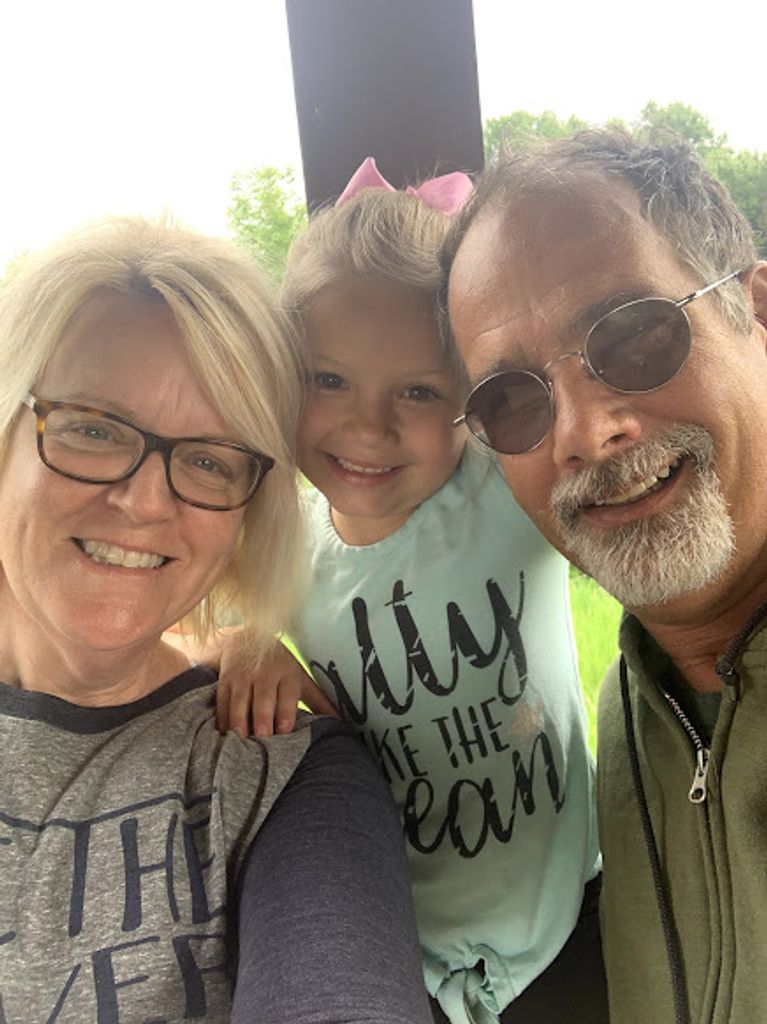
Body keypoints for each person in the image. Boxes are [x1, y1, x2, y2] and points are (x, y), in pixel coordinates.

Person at [0, 217, 433, 1024]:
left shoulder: (272, 764)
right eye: (92, 428)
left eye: (208, 459)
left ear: (246, 514)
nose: (143, 502)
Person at [217, 159, 605, 1024]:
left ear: (471, 396)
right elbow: (200, 615)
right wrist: (247, 642)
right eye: (327, 380)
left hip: (573, 921)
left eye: (421, 391)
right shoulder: (282, 547)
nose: (367, 426)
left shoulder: (507, 491)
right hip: (405, 951)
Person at [443, 126, 767, 1024]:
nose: (583, 432)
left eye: (632, 335)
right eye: (511, 400)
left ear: (756, 314)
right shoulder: (626, 717)